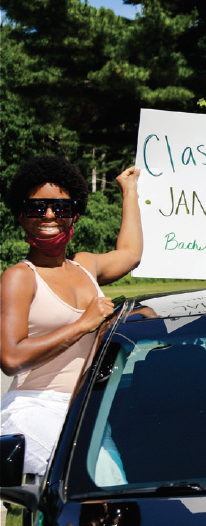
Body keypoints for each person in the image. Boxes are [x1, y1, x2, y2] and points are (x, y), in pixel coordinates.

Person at [0, 156, 142, 477]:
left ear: (74, 215)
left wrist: (128, 190)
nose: (49, 215)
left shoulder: (86, 265)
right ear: (21, 218)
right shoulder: (20, 277)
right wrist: (83, 325)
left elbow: (131, 253)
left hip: (86, 411)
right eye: (37, 208)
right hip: (36, 410)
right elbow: (10, 357)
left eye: (60, 208)